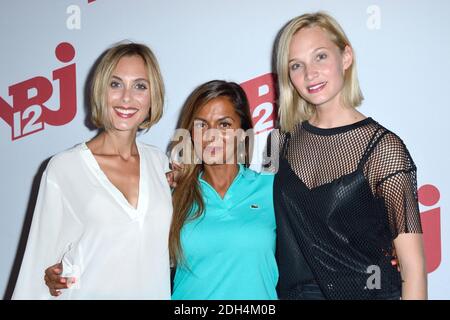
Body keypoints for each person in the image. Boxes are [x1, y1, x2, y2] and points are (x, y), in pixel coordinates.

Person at [267, 11, 427, 299]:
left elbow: (413, 268)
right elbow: (257, 211)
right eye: (296, 65)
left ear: (346, 57)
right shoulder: (280, 141)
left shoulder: (384, 149)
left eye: (320, 57)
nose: (309, 73)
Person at [12, 42, 173, 300]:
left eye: (140, 86)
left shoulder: (161, 165)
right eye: (116, 84)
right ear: (101, 90)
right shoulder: (64, 168)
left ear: (153, 96)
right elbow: (37, 268)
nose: (126, 98)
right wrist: (53, 277)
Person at [169, 80, 278, 299]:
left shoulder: (272, 189)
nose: (211, 135)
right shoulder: (173, 194)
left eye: (224, 124)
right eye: (201, 125)